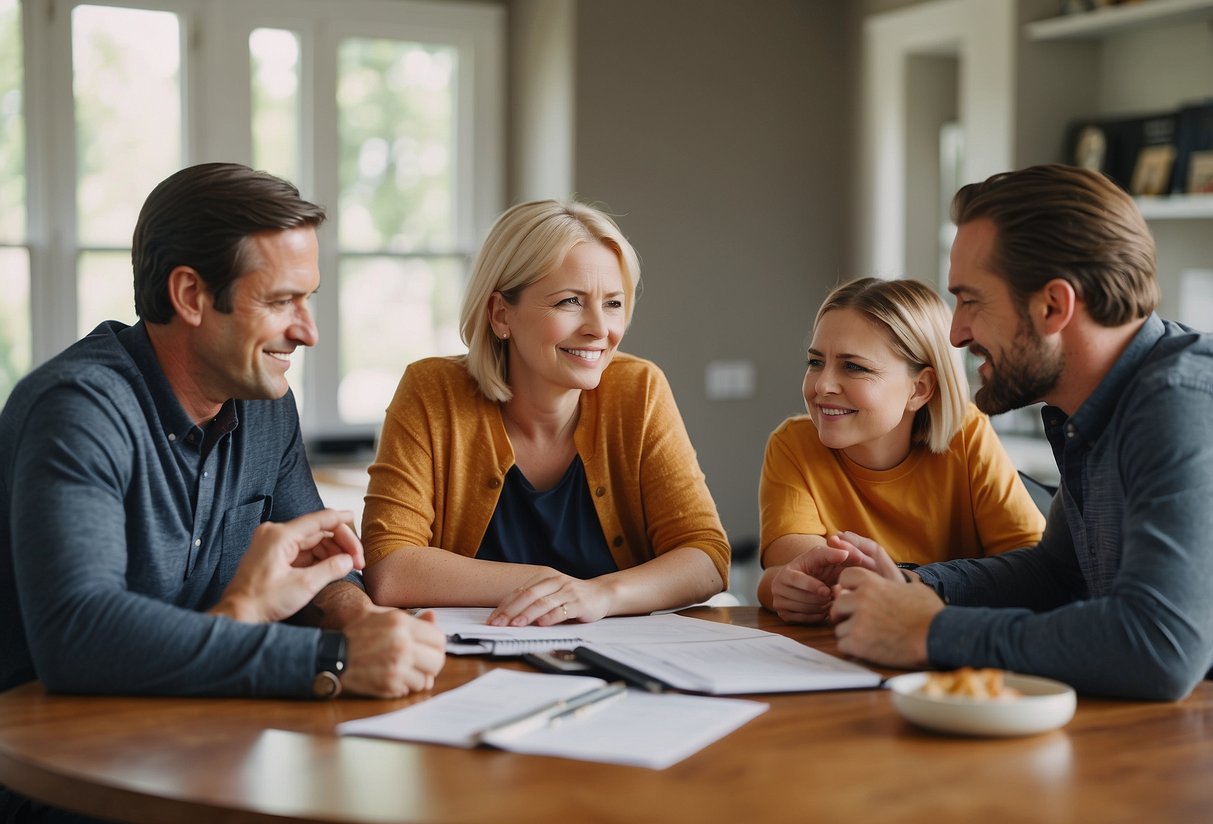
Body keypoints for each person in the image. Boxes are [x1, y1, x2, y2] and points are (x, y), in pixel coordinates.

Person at [0, 163, 447, 703]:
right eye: (281, 301)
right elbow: (80, 634)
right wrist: (333, 660)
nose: (308, 331)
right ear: (190, 295)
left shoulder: (266, 407)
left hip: (199, 734)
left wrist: (360, 622)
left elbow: (320, 564)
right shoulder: (78, 410)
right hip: (55, 758)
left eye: (309, 299)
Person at [821, 164, 1213, 700]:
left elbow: (1159, 647)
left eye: (971, 300)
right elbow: (1057, 574)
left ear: (1053, 305)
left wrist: (929, 631)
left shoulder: (1181, 403)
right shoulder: (1092, 407)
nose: (957, 334)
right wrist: (913, 588)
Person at [361, 199, 729, 626]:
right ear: (501, 314)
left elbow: (706, 556)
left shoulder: (639, 390)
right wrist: (554, 586)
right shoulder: (432, 391)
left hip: (618, 671)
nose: (599, 328)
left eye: (612, 303)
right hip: (469, 669)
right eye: (570, 301)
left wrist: (600, 594)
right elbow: (390, 567)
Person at [758, 277, 1044, 623]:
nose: (822, 385)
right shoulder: (793, 445)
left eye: (853, 366)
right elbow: (803, 574)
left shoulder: (966, 435)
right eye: (815, 362)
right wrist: (785, 587)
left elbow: (1035, 568)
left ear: (919, 389)